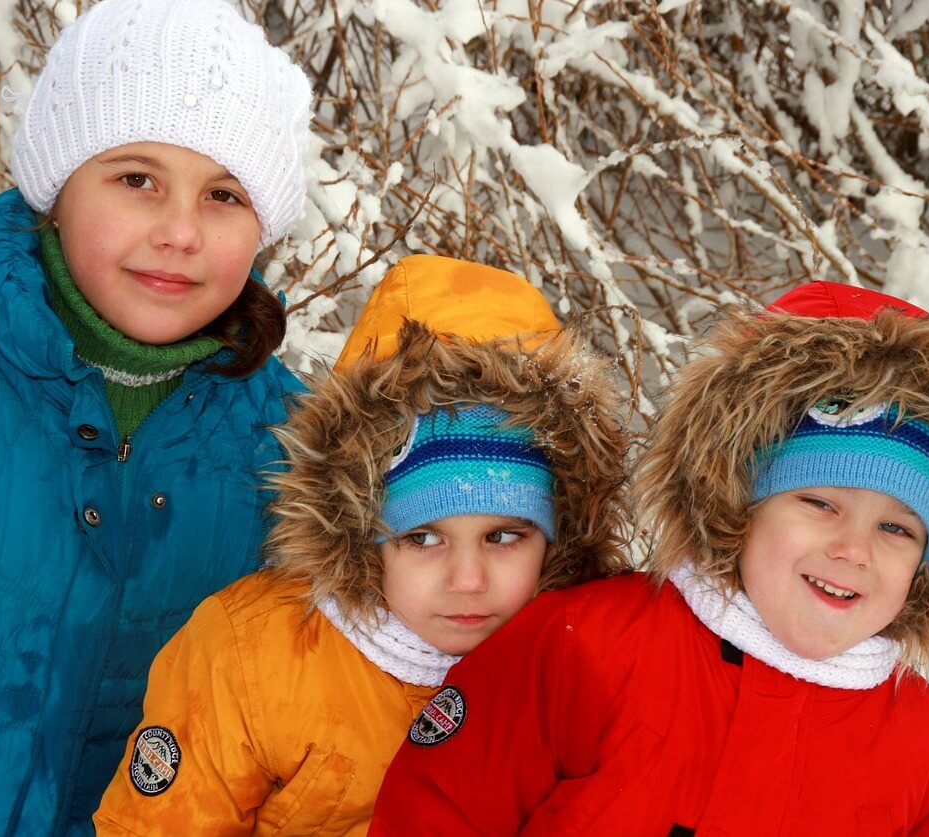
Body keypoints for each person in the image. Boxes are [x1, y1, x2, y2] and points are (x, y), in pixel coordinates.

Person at [0, 0, 311, 833]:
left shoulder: (287, 452)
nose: (180, 232)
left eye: (224, 195)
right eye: (137, 179)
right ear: (58, 188)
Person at [370, 280, 929, 835]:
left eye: (898, 528)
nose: (852, 548)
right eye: (819, 502)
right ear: (740, 502)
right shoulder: (587, 647)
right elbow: (440, 809)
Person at [91, 254, 632, 835]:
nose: (469, 579)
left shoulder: (593, 664)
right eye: (422, 537)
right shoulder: (256, 653)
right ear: (357, 529)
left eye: (504, 536)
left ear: (561, 533)